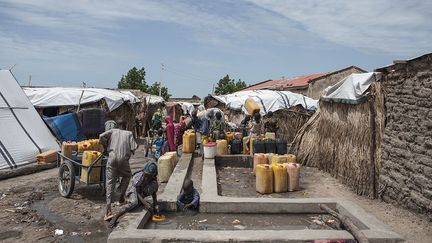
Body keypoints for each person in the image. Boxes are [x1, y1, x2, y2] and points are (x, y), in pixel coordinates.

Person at [99, 120, 138, 221]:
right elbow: (135, 147)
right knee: (128, 175)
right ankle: (121, 197)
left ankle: (108, 211)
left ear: (117, 126)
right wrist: (129, 150)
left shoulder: (112, 131)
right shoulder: (129, 133)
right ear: (126, 126)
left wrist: (105, 146)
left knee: (109, 183)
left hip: (112, 158)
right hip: (123, 160)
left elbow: (101, 136)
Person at [109, 161, 159, 227]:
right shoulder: (139, 176)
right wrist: (146, 204)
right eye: (146, 175)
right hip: (132, 189)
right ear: (144, 172)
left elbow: (154, 193)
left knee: (154, 185)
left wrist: (155, 206)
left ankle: (139, 202)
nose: (147, 177)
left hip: (141, 190)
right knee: (134, 202)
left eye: (149, 176)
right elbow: (137, 192)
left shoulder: (152, 180)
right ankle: (115, 217)